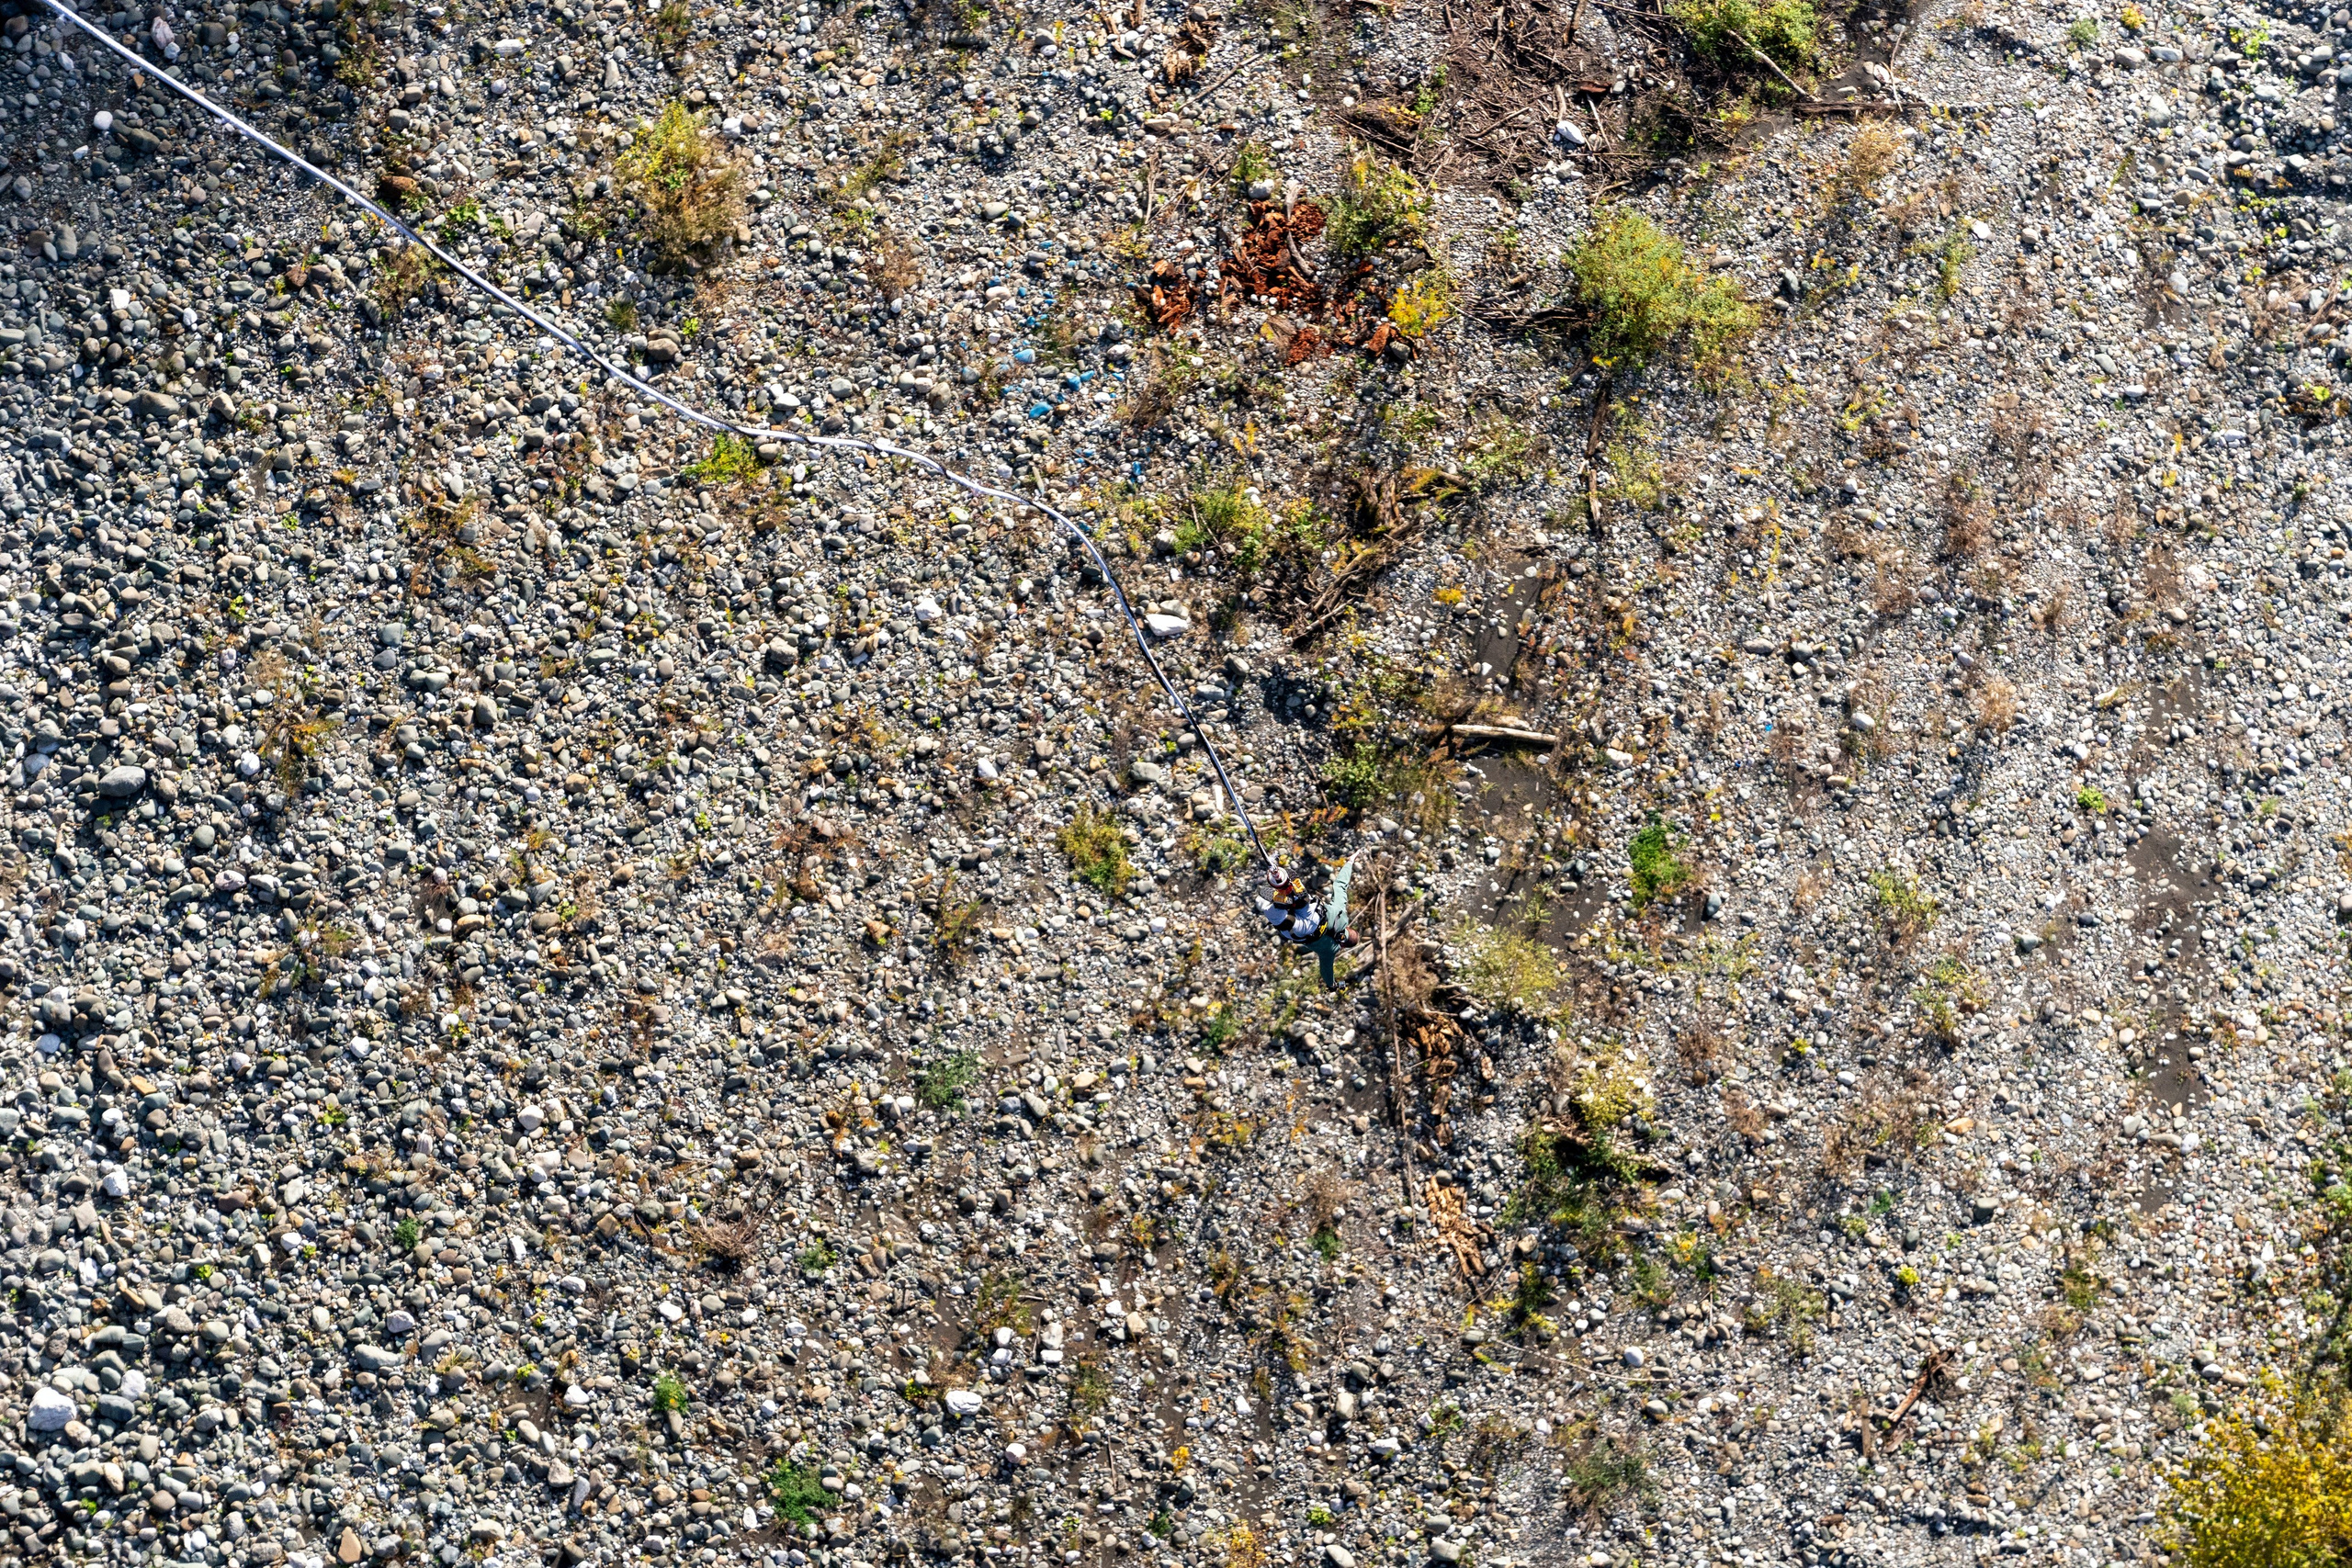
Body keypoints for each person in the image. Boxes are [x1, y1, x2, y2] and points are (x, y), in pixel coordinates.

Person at [1255, 857, 1357, 985]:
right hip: (1304, 930)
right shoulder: (1331, 951)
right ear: (1343, 945)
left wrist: (1350, 862)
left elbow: (1340, 885)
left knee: (1305, 904)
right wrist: (1332, 985)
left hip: (1316, 913)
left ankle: (1295, 892)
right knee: (1281, 921)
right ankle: (1279, 904)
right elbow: (1326, 971)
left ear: (1348, 928)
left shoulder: (1342, 915)